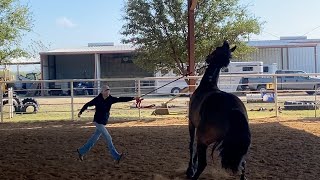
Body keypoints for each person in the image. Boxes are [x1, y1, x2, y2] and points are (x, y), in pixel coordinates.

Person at [77, 85, 140, 163]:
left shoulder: (110, 99)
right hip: (98, 121)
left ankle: (81, 151)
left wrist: (133, 98)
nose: (108, 91)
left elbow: (121, 99)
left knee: (93, 139)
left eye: (109, 90)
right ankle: (116, 157)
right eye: (106, 90)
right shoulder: (97, 99)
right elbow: (87, 104)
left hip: (103, 122)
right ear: (102, 92)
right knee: (108, 138)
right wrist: (81, 112)